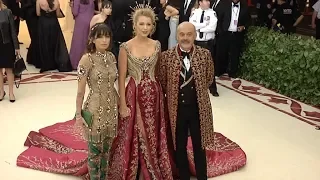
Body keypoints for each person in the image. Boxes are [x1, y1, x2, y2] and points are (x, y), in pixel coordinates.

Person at [107, 4, 174, 179]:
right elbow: (121, 77)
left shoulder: (157, 45)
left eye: (148, 24)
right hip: (133, 94)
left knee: (154, 130)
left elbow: (160, 72)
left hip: (155, 94)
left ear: (153, 27)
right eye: (142, 24)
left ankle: (153, 162)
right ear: (134, 25)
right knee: (133, 131)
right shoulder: (125, 47)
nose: (145, 27)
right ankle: (136, 167)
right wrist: (122, 103)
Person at [159, 22, 214, 180]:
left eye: (189, 34)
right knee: (179, 146)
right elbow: (163, 81)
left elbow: (209, 78)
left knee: (199, 145)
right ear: (176, 36)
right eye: (182, 34)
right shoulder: (166, 57)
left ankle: (202, 176)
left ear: (195, 35)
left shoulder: (205, 55)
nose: (185, 38)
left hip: (198, 109)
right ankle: (183, 176)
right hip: (177, 110)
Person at [75, 23, 118, 180]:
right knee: (94, 153)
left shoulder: (112, 57)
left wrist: (121, 105)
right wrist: (78, 115)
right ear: (92, 39)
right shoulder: (86, 59)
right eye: (100, 36)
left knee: (107, 151)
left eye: (107, 36)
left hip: (111, 107)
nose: (104, 40)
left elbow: (113, 85)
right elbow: (80, 91)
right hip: (94, 108)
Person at [31, 0, 72, 72]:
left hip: (43, 23)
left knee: (44, 42)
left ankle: (46, 63)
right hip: (53, 23)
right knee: (54, 42)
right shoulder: (56, 2)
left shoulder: (39, 1)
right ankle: (54, 62)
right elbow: (57, 14)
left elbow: (38, 13)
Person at [190, 0, 219, 96]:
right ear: (200, 2)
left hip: (208, 43)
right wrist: (204, 25)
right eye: (206, 1)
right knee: (195, 64)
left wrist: (199, 28)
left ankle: (212, 88)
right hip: (197, 42)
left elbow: (212, 27)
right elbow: (192, 25)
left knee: (209, 65)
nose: (208, 3)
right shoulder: (195, 12)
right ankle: (195, 86)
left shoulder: (212, 13)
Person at [215, 0, 249, 78]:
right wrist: (220, 31)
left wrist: (243, 27)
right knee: (222, 53)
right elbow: (218, 19)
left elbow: (248, 21)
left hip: (237, 34)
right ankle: (220, 71)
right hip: (225, 33)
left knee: (235, 54)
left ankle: (233, 73)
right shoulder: (224, 4)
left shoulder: (245, 7)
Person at [0, 0, 20, 103]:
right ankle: (1, 91)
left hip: (6, 44)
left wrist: (16, 47)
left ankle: (11, 92)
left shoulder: (7, 12)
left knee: (9, 69)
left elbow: (13, 30)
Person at [69, 0, 95, 70]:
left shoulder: (77, 0)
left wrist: (71, 7)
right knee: (87, 41)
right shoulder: (91, 1)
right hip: (89, 21)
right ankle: (87, 63)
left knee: (78, 42)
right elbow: (92, 11)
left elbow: (75, 12)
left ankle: (76, 63)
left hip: (80, 22)